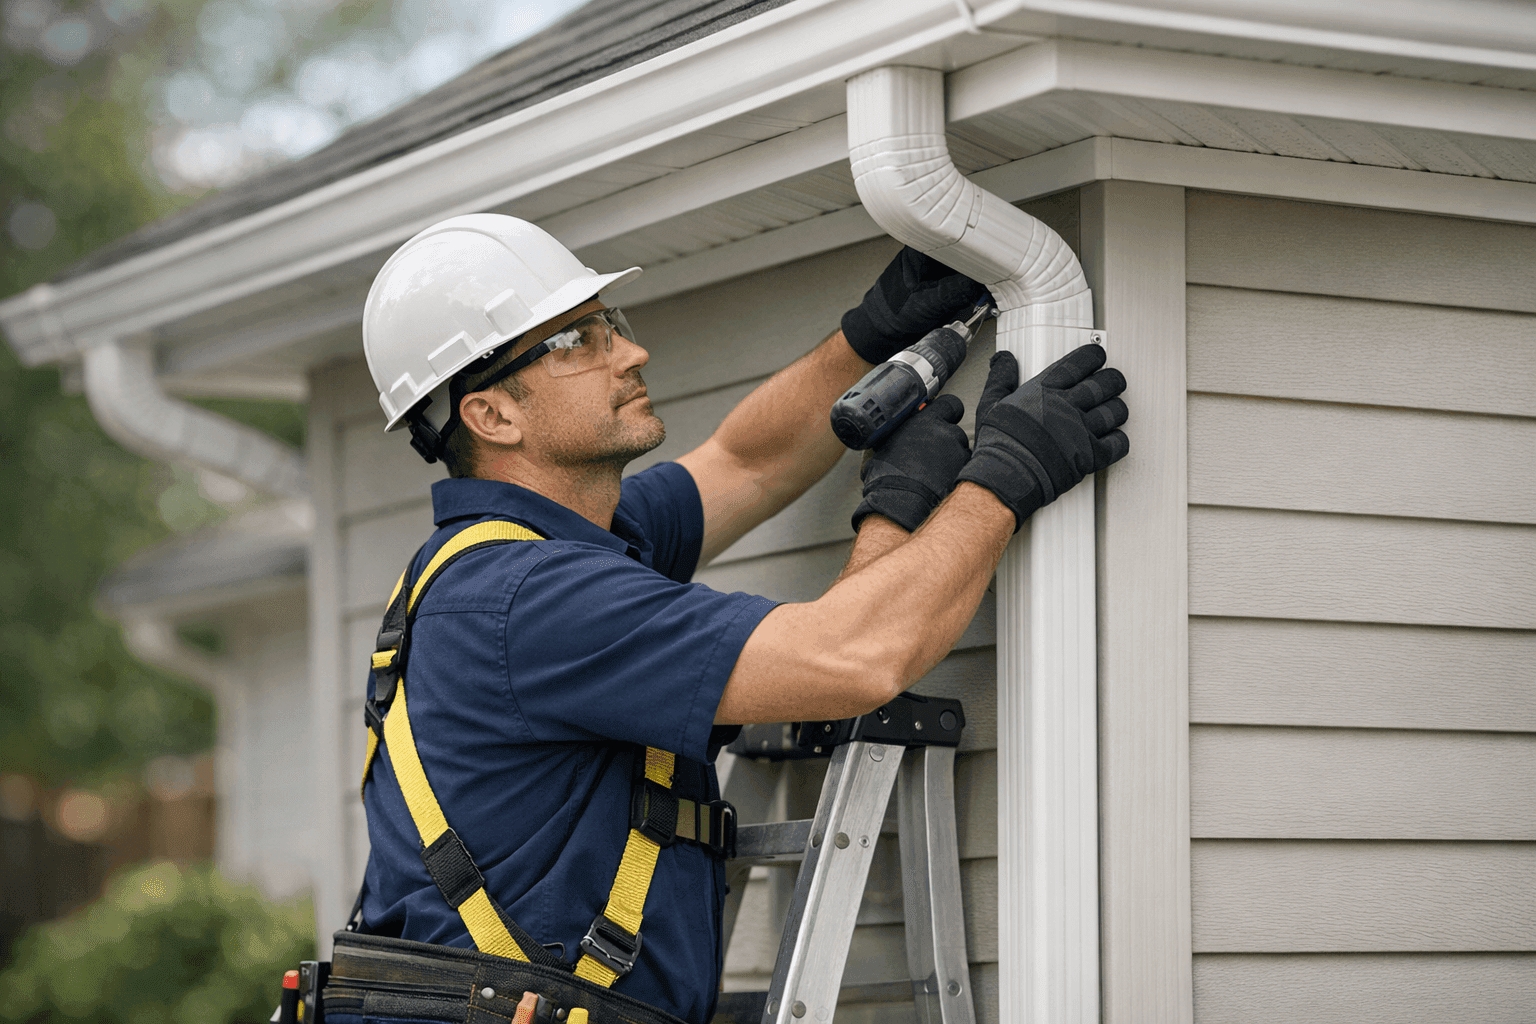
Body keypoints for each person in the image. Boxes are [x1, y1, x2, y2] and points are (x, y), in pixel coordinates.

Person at [336, 214, 1128, 1024]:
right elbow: (854, 658)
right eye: (575, 341)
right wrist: (995, 481)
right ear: (492, 416)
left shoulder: (552, 544)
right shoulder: (529, 596)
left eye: (609, 323)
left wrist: (865, 339)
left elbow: (747, 461)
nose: (629, 352)